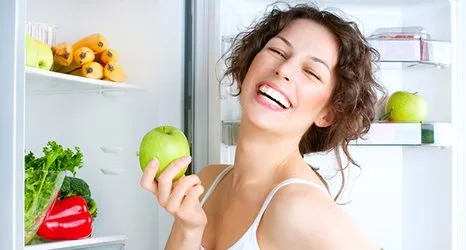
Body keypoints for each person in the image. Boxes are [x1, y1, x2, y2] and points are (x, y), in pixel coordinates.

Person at [140, 2, 385, 250]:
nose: (284, 69)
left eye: (311, 72)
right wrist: (188, 228)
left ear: (328, 114)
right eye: (278, 52)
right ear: (248, 66)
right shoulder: (208, 180)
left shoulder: (299, 207)